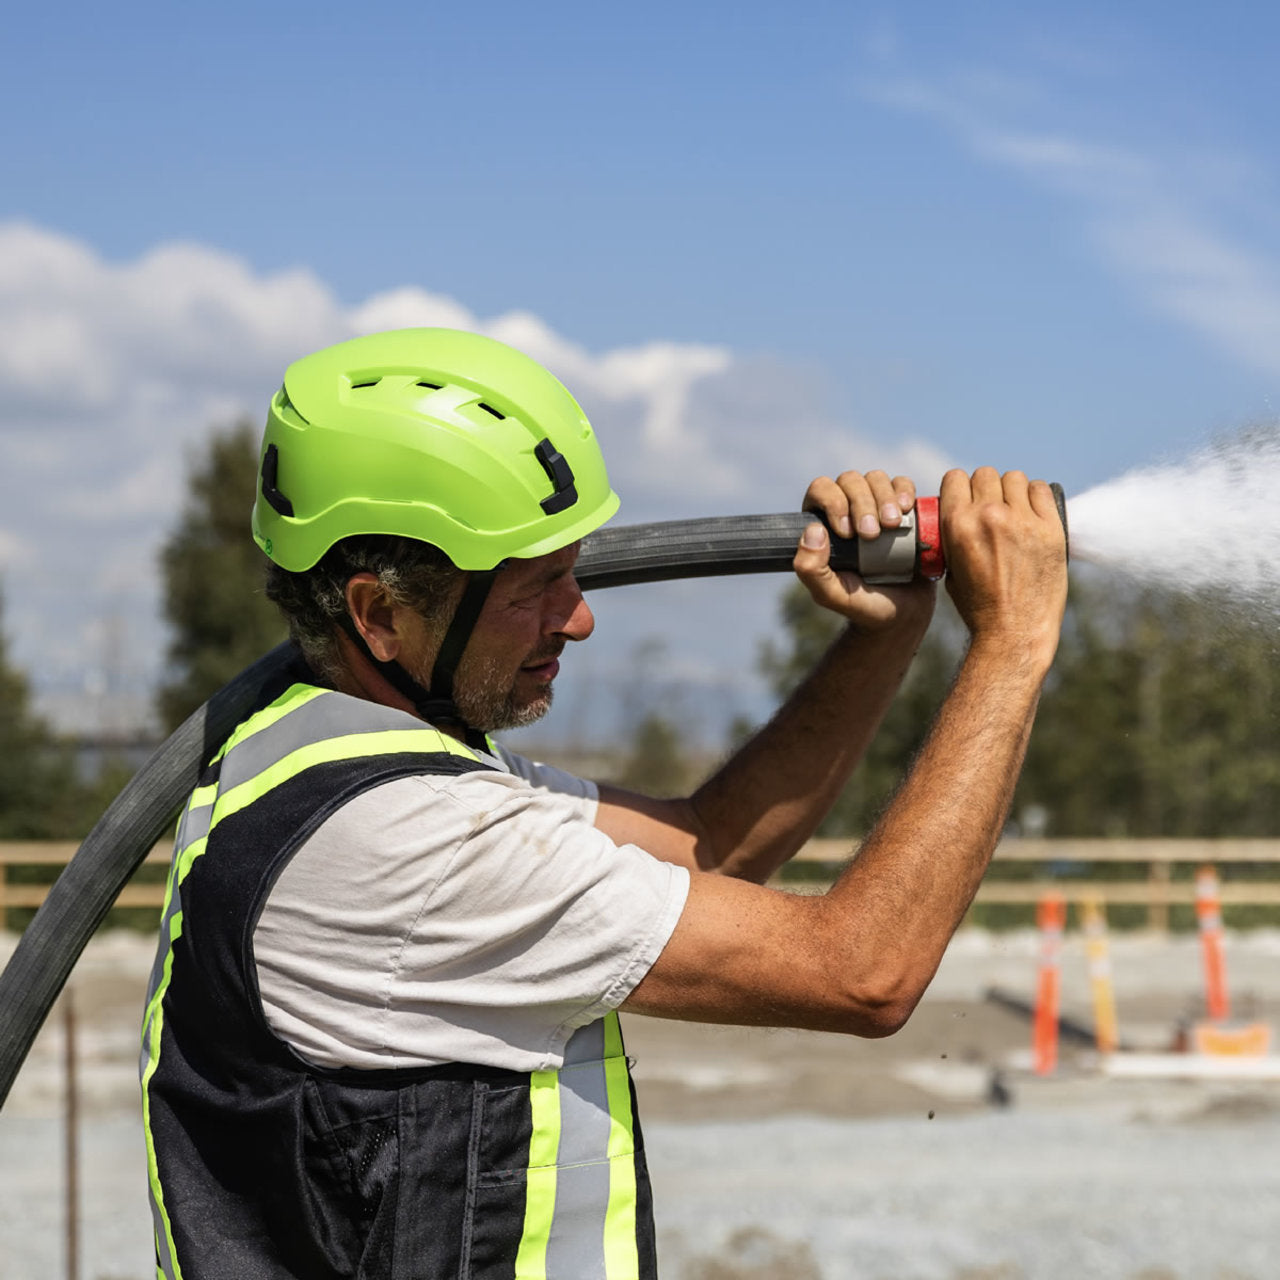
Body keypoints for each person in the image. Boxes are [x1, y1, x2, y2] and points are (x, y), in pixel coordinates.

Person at [140, 327, 1067, 1279]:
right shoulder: (404, 840)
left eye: (573, 571)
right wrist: (1014, 643)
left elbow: (705, 849)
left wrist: (884, 637)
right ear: (381, 615)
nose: (579, 617)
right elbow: (864, 972)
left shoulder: (343, 755)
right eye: (537, 587)